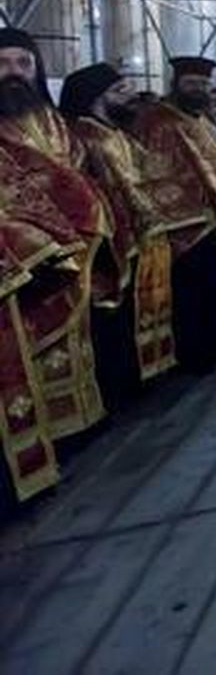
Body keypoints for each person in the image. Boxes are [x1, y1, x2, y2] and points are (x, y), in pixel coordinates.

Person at [60, 64, 201, 410]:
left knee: (146, 310)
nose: (131, 96)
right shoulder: (82, 135)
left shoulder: (117, 132)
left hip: (145, 233)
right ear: (97, 98)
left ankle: (149, 373)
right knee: (118, 319)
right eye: (120, 91)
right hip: (117, 239)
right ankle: (123, 387)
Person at [0, 29, 113, 448]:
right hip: (30, 260)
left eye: (23, 63)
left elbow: (78, 176)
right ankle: (49, 437)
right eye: (4, 63)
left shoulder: (54, 123)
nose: (14, 72)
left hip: (74, 248)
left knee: (77, 340)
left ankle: (81, 419)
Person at [131, 56, 216, 367]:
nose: (198, 90)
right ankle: (198, 352)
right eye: (191, 84)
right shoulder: (158, 121)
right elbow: (155, 172)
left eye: (203, 85)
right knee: (192, 291)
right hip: (186, 224)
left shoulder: (201, 120)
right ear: (177, 84)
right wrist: (192, 206)